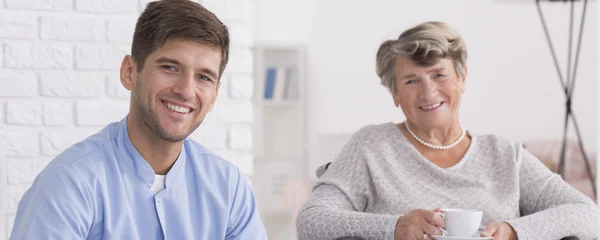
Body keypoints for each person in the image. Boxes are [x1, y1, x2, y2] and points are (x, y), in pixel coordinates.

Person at [296, 21, 599, 240]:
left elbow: (585, 214)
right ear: (395, 94)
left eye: (439, 75)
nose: (428, 93)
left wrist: (515, 232)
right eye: (411, 81)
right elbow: (312, 221)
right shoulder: (371, 146)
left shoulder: (504, 155)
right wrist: (394, 228)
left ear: (462, 78)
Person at [10, 0, 267, 239]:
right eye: (170, 67)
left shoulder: (229, 187)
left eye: (204, 77)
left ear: (214, 95)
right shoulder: (69, 184)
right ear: (130, 73)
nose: (186, 91)